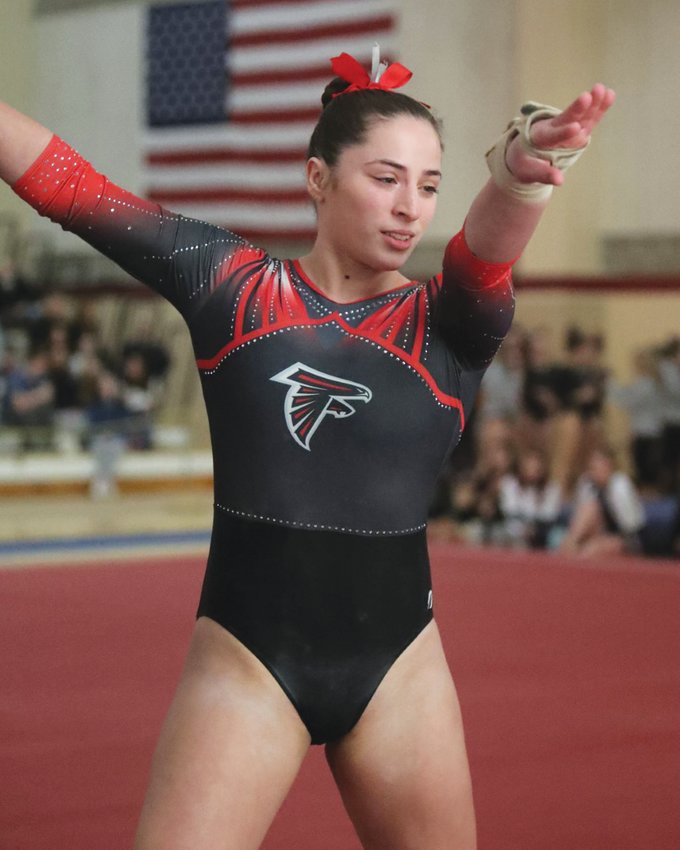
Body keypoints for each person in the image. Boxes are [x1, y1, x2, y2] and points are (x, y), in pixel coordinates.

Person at [0, 47, 614, 849]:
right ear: (317, 178)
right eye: (384, 178)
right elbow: (75, 190)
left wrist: (525, 171)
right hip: (247, 664)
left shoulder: (451, 328)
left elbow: (483, 252)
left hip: (400, 674)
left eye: (428, 186)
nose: (410, 209)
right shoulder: (233, 288)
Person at [560, 445, 645, 558]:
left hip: (625, 537)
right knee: (589, 507)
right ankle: (570, 543)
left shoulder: (621, 485)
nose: (593, 471)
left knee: (588, 551)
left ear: (608, 466)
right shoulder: (586, 483)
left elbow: (629, 527)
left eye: (597, 467)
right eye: (591, 467)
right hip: (596, 533)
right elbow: (581, 516)